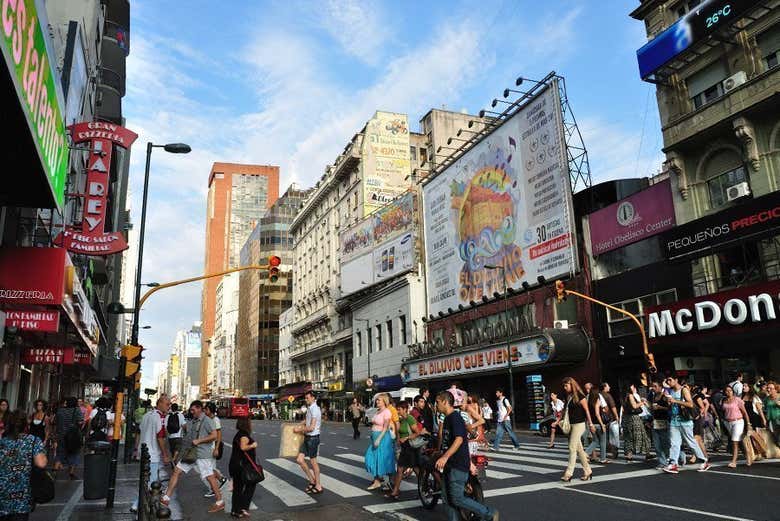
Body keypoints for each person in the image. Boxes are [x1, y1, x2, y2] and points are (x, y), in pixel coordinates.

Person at [434, 391, 499, 521]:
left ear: (445, 402)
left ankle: (488, 513)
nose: (436, 405)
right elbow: (449, 440)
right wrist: (441, 452)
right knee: (447, 499)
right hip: (449, 465)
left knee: (457, 498)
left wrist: (445, 456)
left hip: (457, 465)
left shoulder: (455, 418)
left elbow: (459, 440)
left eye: (438, 402)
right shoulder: (447, 419)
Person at [161, 400, 224, 512]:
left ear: (199, 408)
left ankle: (220, 501)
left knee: (209, 476)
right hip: (191, 454)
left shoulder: (207, 421)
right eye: (191, 410)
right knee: (177, 470)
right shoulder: (194, 420)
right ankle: (166, 498)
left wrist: (199, 441)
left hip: (202, 454)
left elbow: (214, 435)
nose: (191, 412)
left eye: (193, 409)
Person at [0, 410, 47, 520]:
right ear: (26, 425)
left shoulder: (2, 442)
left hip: (2, 494)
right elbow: (41, 463)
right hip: (22, 497)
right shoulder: (33, 441)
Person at [662, 375, 711, 474]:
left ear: (676, 380)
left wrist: (675, 401)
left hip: (685, 421)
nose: (668, 382)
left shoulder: (683, 390)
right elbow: (672, 405)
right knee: (674, 443)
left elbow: (690, 404)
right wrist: (669, 403)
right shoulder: (671, 391)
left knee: (690, 442)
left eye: (670, 380)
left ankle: (703, 460)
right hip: (674, 420)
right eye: (667, 380)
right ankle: (673, 463)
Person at [131, 396, 172, 514]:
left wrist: (136, 449)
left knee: (146, 480)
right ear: (159, 403)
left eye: (169, 404)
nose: (168, 406)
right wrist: (165, 454)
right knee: (151, 482)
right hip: (152, 454)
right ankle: (137, 505)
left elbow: (138, 432)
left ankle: (141, 503)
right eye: (167, 404)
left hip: (142, 451)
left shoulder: (146, 415)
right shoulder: (158, 418)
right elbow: (160, 437)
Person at [386, 401, 422, 500]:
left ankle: (424, 487)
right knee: (400, 469)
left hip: (411, 447)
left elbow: (417, 432)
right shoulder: (401, 419)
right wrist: (398, 440)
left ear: (405, 409)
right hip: (404, 448)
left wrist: (406, 438)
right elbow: (399, 432)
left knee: (415, 469)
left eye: (399, 409)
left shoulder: (409, 418)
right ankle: (395, 491)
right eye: (397, 409)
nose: (398, 411)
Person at [561, 377, 594, 482]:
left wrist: (591, 424)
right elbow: (566, 411)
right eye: (564, 385)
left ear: (572, 385)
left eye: (566, 385)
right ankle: (588, 471)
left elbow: (587, 410)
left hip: (579, 425)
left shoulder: (580, 396)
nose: (565, 387)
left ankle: (569, 473)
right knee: (579, 450)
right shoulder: (569, 396)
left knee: (572, 447)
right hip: (571, 425)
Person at [229, 416, 259, 518]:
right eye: (250, 422)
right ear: (246, 424)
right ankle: (242, 508)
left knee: (238, 488)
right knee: (251, 484)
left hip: (236, 465)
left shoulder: (239, 434)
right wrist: (253, 445)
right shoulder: (244, 435)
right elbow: (243, 447)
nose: (251, 424)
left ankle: (236, 510)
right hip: (242, 466)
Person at [364, 394, 395, 491]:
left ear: (384, 401)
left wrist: (378, 439)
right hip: (375, 436)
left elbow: (385, 428)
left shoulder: (387, 412)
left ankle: (391, 482)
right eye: (377, 400)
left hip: (383, 438)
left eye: (379, 400)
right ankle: (377, 481)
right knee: (373, 458)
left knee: (383, 459)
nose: (377, 402)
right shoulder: (378, 411)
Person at [294, 391, 323, 494]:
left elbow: (311, 428)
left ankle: (318, 486)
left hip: (313, 438)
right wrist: (298, 425)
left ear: (313, 398)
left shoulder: (315, 409)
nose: (306, 400)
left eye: (307, 398)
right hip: (307, 438)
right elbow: (306, 421)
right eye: (305, 398)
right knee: (300, 460)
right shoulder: (310, 408)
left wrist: (300, 430)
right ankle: (312, 480)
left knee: (313, 462)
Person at [721, 385, 752, 468]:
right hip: (728, 422)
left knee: (735, 441)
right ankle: (748, 455)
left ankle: (734, 461)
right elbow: (723, 411)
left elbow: (745, 412)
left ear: (733, 391)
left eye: (730, 390)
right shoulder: (724, 400)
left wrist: (748, 424)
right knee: (739, 441)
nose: (728, 392)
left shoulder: (737, 400)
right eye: (726, 391)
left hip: (738, 421)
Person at [54, 397, 83, 479]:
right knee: (74, 453)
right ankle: (71, 473)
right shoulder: (77, 410)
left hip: (61, 435)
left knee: (60, 453)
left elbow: (56, 422)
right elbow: (80, 421)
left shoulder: (60, 411)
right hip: (73, 436)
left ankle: (55, 471)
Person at [622, 383, 651, 461]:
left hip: (626, 418)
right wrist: (642, 402)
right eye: (633, 386)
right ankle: (647, 453)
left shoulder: (624, 396)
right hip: (634, 418)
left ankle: (629, 455)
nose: (634, 388)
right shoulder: (630, 395)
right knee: (642, 435)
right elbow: (634, 406)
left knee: (628, 437)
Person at [203, 403, 227, 496]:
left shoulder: (215, 420)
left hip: (212, 447)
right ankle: (221, 479)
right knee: (209, 468)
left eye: (206, 409)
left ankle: (214, 489)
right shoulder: (207, 419)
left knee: (208, 469)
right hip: (206, 447)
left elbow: (219, 435)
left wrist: (216, 448)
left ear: (210, 410)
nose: (204, 411)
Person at [649, 379, 671, 469]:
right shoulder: (654, 396)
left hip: (664, 421)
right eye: (652, 386)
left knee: (665, 443)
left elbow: (669, 409)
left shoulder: (664, 396)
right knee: (657, 444)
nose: (653, 388)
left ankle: (676, 457)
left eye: (655, 386)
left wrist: (660, 407)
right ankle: (662, 462)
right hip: (655, 422)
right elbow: (652, 410)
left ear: (660, 387)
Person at [585, 388, 609, 464]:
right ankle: (603, 459)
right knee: (602, 441)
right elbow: (597, 414)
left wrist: (590, 424)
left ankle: (585, 453)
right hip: (598, 424)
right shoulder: (597, 400)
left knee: (595, 441)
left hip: (592, 424)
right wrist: (602, 424)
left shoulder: (588, 402)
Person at [599, 383, 620, 459]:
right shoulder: (608, 395)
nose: (609, 387)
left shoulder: (598, 395)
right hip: (609, 418)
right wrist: (617, 416)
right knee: (612, 435)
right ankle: (614, 451)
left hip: (601, 418)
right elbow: (613, 407)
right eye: (608, 386)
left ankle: (607, 451)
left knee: (605, 436)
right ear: (604, 387)